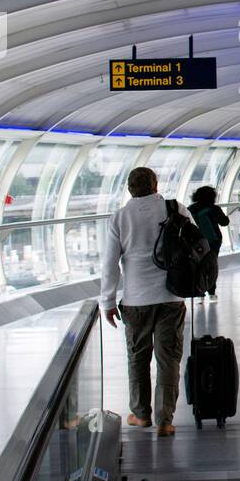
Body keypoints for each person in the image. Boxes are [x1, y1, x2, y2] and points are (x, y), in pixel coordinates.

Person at [100, 166, 190, 438]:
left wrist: (107, 301)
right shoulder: (176, 209)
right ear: (155, 184)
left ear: (129, 188)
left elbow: (109, 264)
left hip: (136, 300)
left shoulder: (120, 217)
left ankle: (141, 415)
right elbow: (198, 245)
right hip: (170, 296)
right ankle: (165, 420)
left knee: (138, 358)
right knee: (168, 359)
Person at [187, 184, 229, 300]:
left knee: (198, 265)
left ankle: (200, 293)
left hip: (196, 242)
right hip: (213, 241)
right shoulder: (214, 208)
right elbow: (225, 222)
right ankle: (212, 292)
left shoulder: (191, 208)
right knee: (212, 266)